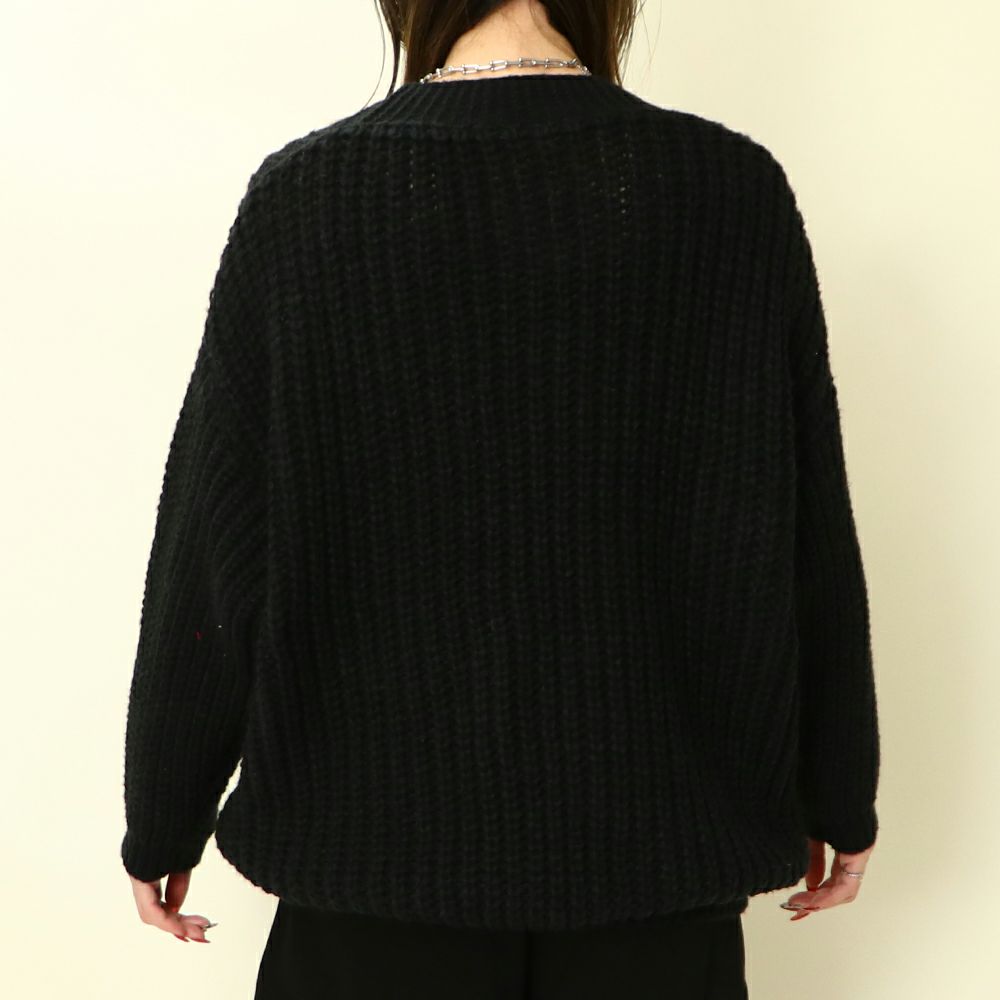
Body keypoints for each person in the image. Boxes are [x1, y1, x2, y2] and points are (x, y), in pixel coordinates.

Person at [120, 0, 881, 996]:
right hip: (654, 874)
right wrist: (838, 786)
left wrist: (164, 812)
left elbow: (215, 544)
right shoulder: (730, 191)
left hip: (370, 874)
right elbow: (804, 524)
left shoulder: (305, 198)